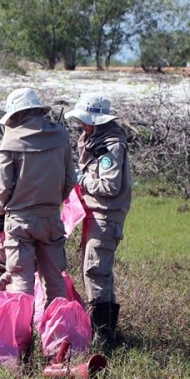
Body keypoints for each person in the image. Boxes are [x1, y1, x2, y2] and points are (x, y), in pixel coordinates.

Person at [0, 88, 76, 307]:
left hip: (19, 221)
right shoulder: (61, 136)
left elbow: (3, 188)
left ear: (15, 114)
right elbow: (70, 180)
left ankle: (22, 337)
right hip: (51, 219)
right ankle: (59, 336)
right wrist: (53, 203)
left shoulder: (9, 142)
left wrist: (1, 210)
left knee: (21, 282)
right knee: (55, 280)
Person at [65, 93, 131, 352]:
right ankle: (107, 333)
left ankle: (104, 338)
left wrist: (80, 180)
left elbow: (109, 186)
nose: (82, 126)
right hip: (95, 215)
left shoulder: (110, 146)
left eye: (86, 121)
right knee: (95, 272)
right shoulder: (93, 141)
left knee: (95, 272)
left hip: (106, 217)